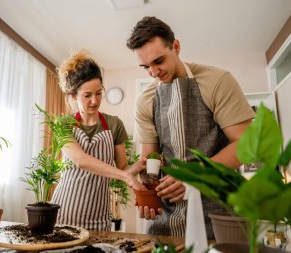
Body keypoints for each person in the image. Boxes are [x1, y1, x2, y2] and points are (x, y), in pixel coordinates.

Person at [126, 16, 255, 239]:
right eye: (146, 67)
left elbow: (245, 143)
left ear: (175, 46)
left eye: (159, 61)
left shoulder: (217, 81)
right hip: (167, 219)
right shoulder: (145, 99)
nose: (154, 73)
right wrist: (147, 192)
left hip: (221, 213)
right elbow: (150, 159)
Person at [50, 50, 146, 231]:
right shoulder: (63, 125)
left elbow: (123, 168)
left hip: (98, 217)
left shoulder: (114, 124)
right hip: (64, 213)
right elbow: (81, 160)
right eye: (87, 95)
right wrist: (126, 177)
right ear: (73, 96)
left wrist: (140, 164)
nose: (95, 100)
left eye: (99, 93)